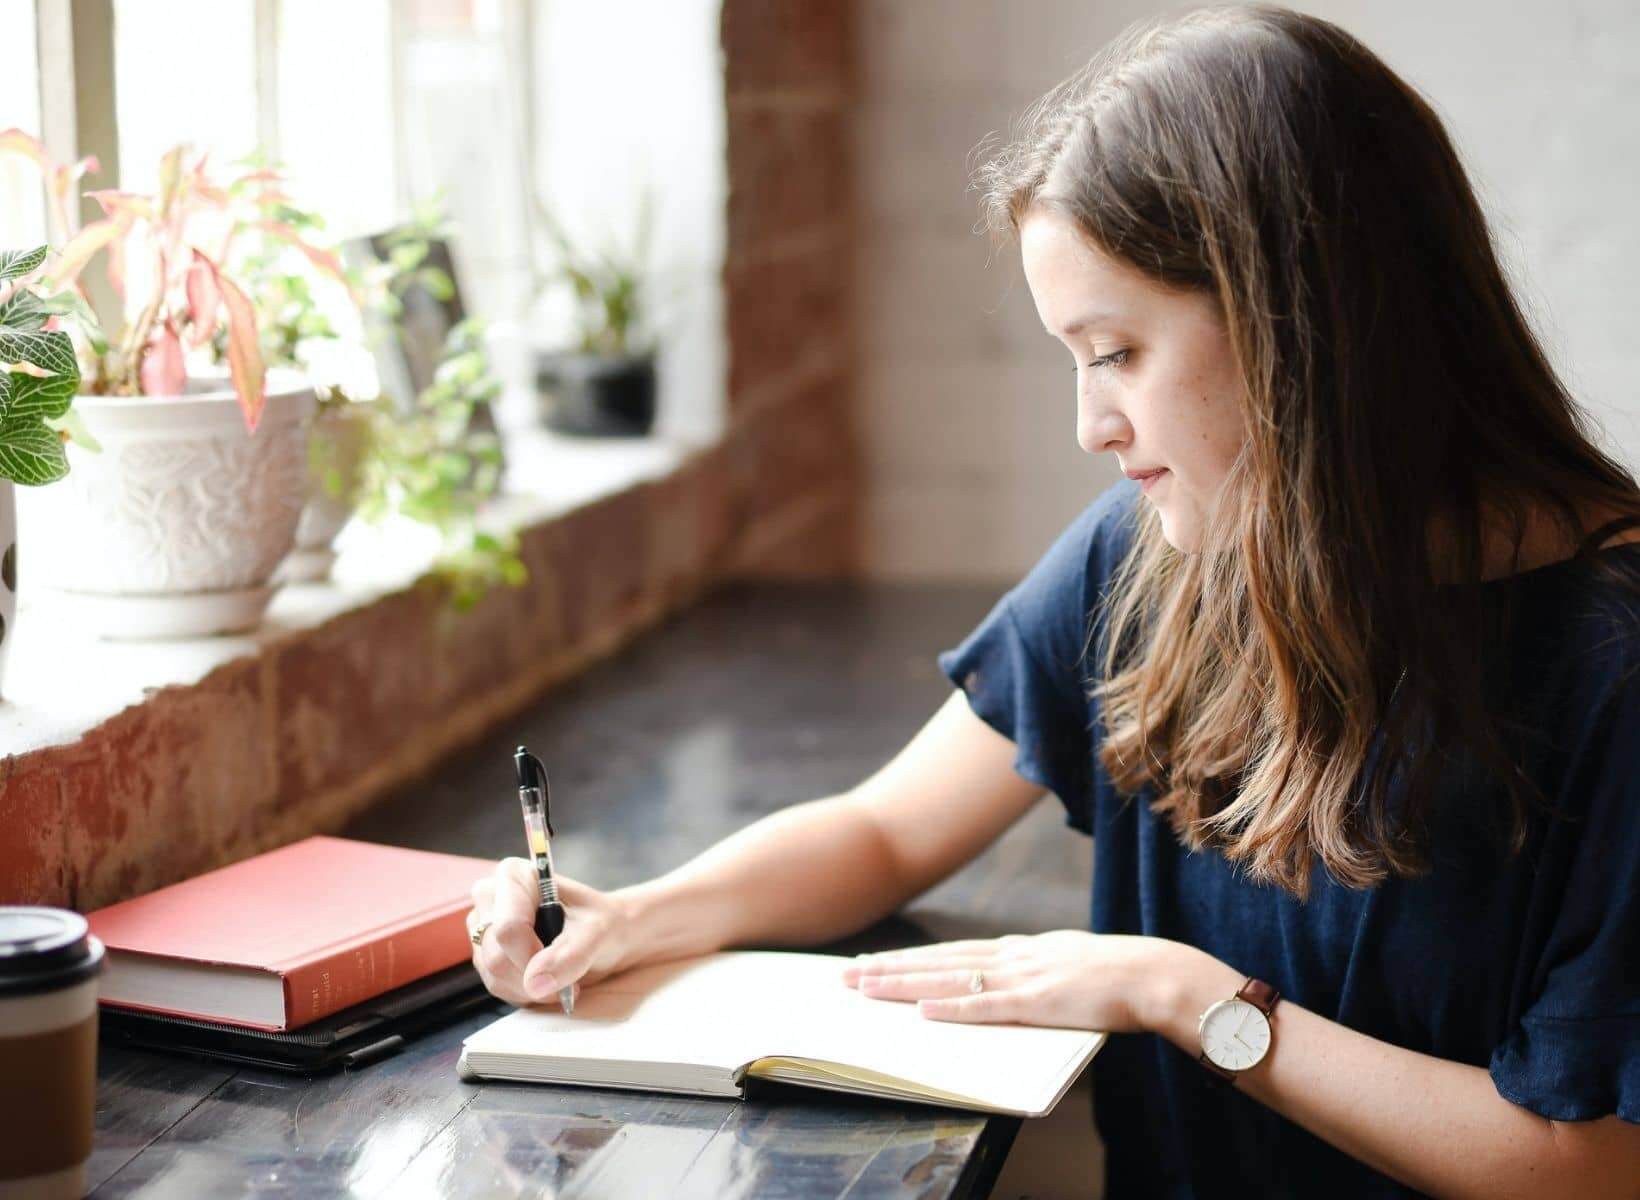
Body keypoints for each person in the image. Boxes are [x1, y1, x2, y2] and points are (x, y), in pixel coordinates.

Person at [467, 6, 1640, 1195]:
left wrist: (1187, 1000)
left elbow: (1583, 1165)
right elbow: (884, 830)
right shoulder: (1155, 554)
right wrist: (638, 920)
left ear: (1299, 323)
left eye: (1116, 351)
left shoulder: (1613, 664)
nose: (1090, 426)